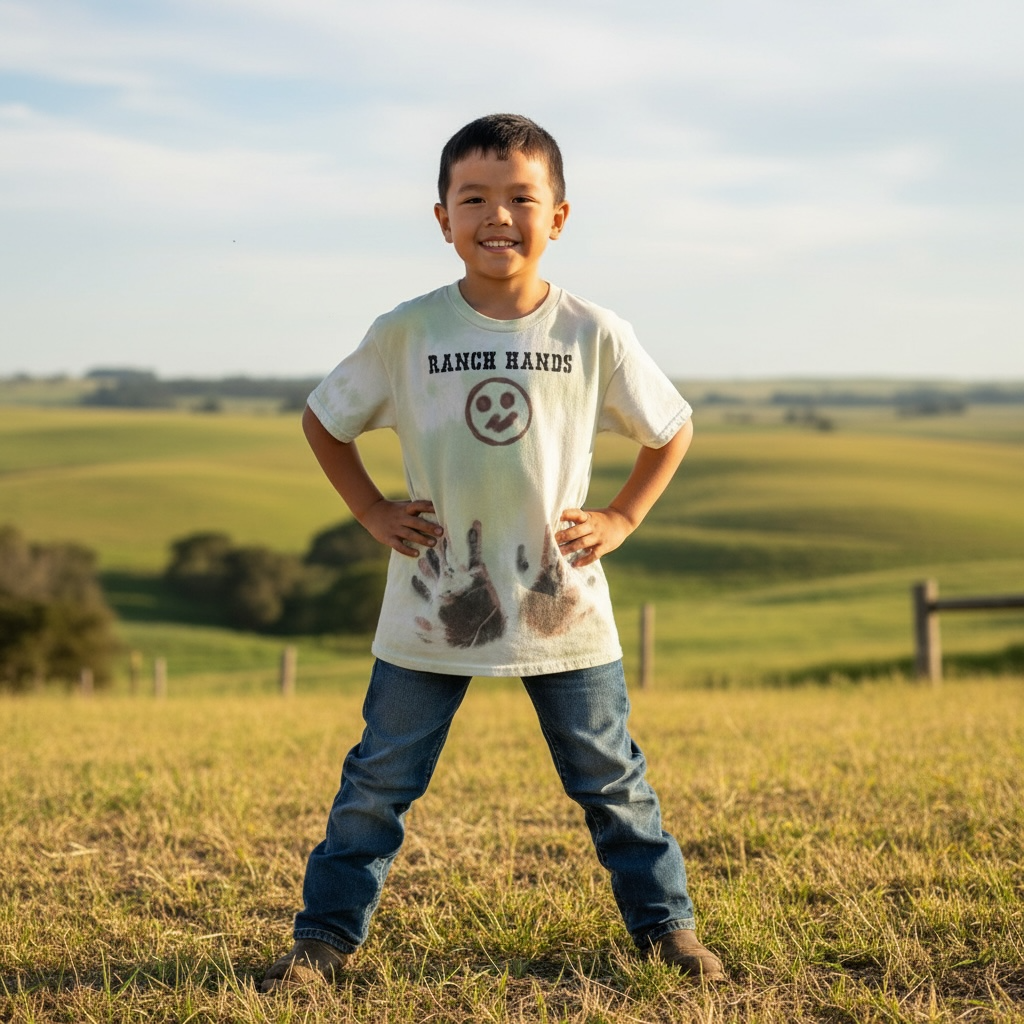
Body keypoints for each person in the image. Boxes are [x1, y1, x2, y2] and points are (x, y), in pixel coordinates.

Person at [261, 113, 725, 991]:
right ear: (443, 218)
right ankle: (321, 943)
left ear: (560, 216)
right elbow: (325, 419)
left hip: (561, 604)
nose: (497, 216)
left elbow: (671, 428)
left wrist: (622, 518)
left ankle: (668, 930)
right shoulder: (408, 331)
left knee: (612, 781)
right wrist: (370, 508)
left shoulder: (593, 332)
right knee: (377, 784)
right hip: (432, 605)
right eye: (473, 199)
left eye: (521, 198)